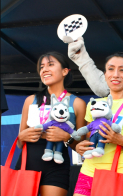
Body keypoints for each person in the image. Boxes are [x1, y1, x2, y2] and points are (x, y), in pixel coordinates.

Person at [73, 52, 123, 196]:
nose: (115, 74)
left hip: (122, 172)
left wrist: (122, 141)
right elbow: (89, 139)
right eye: (110, 69)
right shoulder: (94, 104)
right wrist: (79, 146)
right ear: (104, 74)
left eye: (122, 70)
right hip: (89, 172)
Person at [16, 52, 86, 196]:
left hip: (57, 164)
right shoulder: (31, 100)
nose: (44, 70)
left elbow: (81, 145)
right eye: (42, 67)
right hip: (28, 161)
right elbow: (19, 142)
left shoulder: (78, 103)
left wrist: (66, 137)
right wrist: (22, 136)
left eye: (50, 64)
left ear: (65, 71)